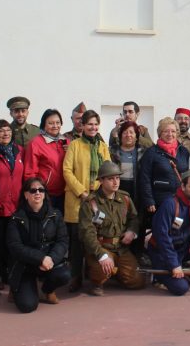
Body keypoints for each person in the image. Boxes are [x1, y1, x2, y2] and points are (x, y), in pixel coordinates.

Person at [62, 109, 111, 292]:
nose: (93, 127)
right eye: (89, 124)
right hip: (77, 200)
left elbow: (107, 170)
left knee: (94, 240)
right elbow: (67, 170)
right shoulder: (74, 144)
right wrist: (82, 191)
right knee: (76, 243)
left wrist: (98, 189)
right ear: (82, 125)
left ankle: (95, 279)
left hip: (96, 201)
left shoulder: (102, 146)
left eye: (96, 124)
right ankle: (75, 277)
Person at [78, 162, 145, 295]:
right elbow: (87, 232)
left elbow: (134, 218)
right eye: (110, 179)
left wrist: (132, 231)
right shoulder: (90, 202)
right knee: (102, 271)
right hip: (101, 247)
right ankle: (97, 279)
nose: (115, 182)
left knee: (137, 281)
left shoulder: (124, 198)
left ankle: (116, 272)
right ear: (101, 181)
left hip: (121, 248)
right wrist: (100, 254)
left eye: (118, 178)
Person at [5, 178, 71, 313]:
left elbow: (62, 241)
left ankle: (46, 290)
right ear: (25, 194)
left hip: (48, 262)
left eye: (41, 190)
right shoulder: (16, 218)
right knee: (27, 306)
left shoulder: (55, 215)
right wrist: (40, 258)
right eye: (33, 190)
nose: (37, 193)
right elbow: (15, 247)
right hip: (25, 265)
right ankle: (16, 287)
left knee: (64, 275)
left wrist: (51, 258)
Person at [0, 119, 24, 289]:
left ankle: (9, 274)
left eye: (8, 130)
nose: (6, 134)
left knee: (13, 243)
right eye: (1, 131)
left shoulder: (19, 152)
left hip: (15, 206)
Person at [139, 117, 190, 215]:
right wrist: (149, 200)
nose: (170, 134)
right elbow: (145, 178)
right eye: (166, 131)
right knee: (163, 228)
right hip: (160, 201)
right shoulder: (151, 153)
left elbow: (189, 175)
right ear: (160, 133)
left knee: (180, 227)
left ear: (177, 133)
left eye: (173, 131)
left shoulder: (183, 151)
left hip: (181, 200)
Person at [23, 109, 69, 212]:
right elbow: (30, 172)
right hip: (45, 194)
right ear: (44, 124)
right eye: (50, 123)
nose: (55, 126)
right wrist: (34, 192)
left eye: (58, 123)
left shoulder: (66, 142)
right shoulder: (36, 143)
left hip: (65, 193)